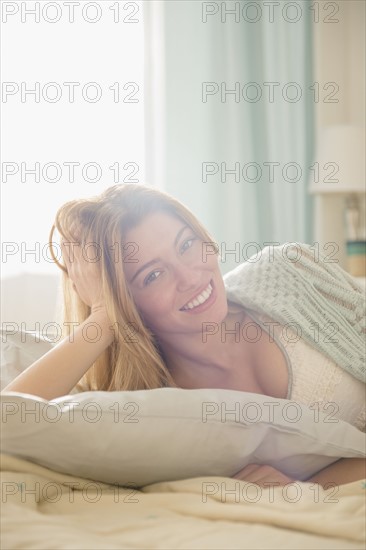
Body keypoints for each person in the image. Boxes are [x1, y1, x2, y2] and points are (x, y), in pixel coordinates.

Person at [2, 183, 365, 488]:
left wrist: (311, 487)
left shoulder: (289, 273)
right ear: (127, 303)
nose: (190, 277)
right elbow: (11, 418)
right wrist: (103, 317)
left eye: (186, 244)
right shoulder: (147, 405)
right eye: (153, 276)